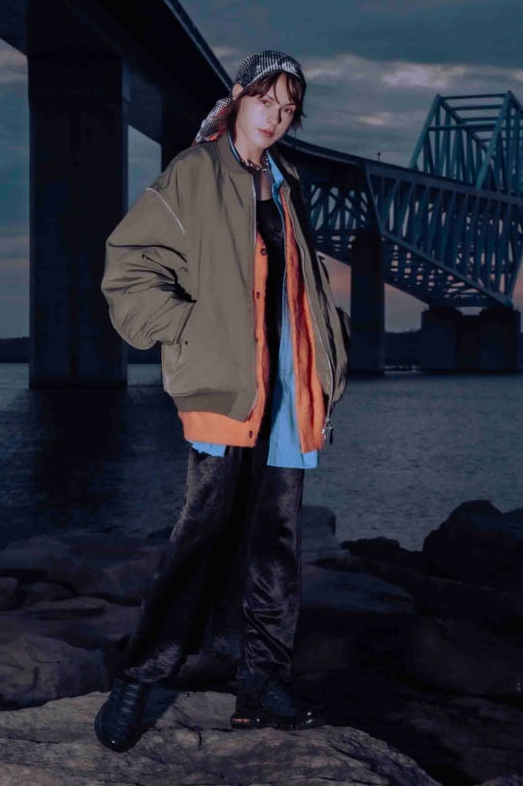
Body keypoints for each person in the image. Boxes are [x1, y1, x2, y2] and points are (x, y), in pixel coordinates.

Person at [95, 50, 351, 752]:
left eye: (289, 109)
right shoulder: (194, 172)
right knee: (200, 542)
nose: (276, 116)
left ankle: (261, 685)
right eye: (266, 100)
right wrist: (189, 327)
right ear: (238, 95)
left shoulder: (286, 185)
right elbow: (129, 268)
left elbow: (303, 287)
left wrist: (331, 356)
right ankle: (138, 679)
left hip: (289, 391)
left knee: (276, 547)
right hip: (227, 386)